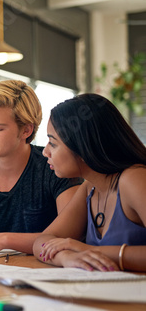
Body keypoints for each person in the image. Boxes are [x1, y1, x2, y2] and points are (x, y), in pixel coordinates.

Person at [0, 80, 81, 254]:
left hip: (50, 271)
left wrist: (1, 240)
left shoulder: (57, 169)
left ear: (26, 130)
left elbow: (71, 237)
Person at [34, 93, 146, 272]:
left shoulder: (134, 179)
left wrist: (91, 250)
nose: (45, 152)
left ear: (83, 146)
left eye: (53, 143)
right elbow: (42, 240)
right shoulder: (90, 188)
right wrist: (67, 257)